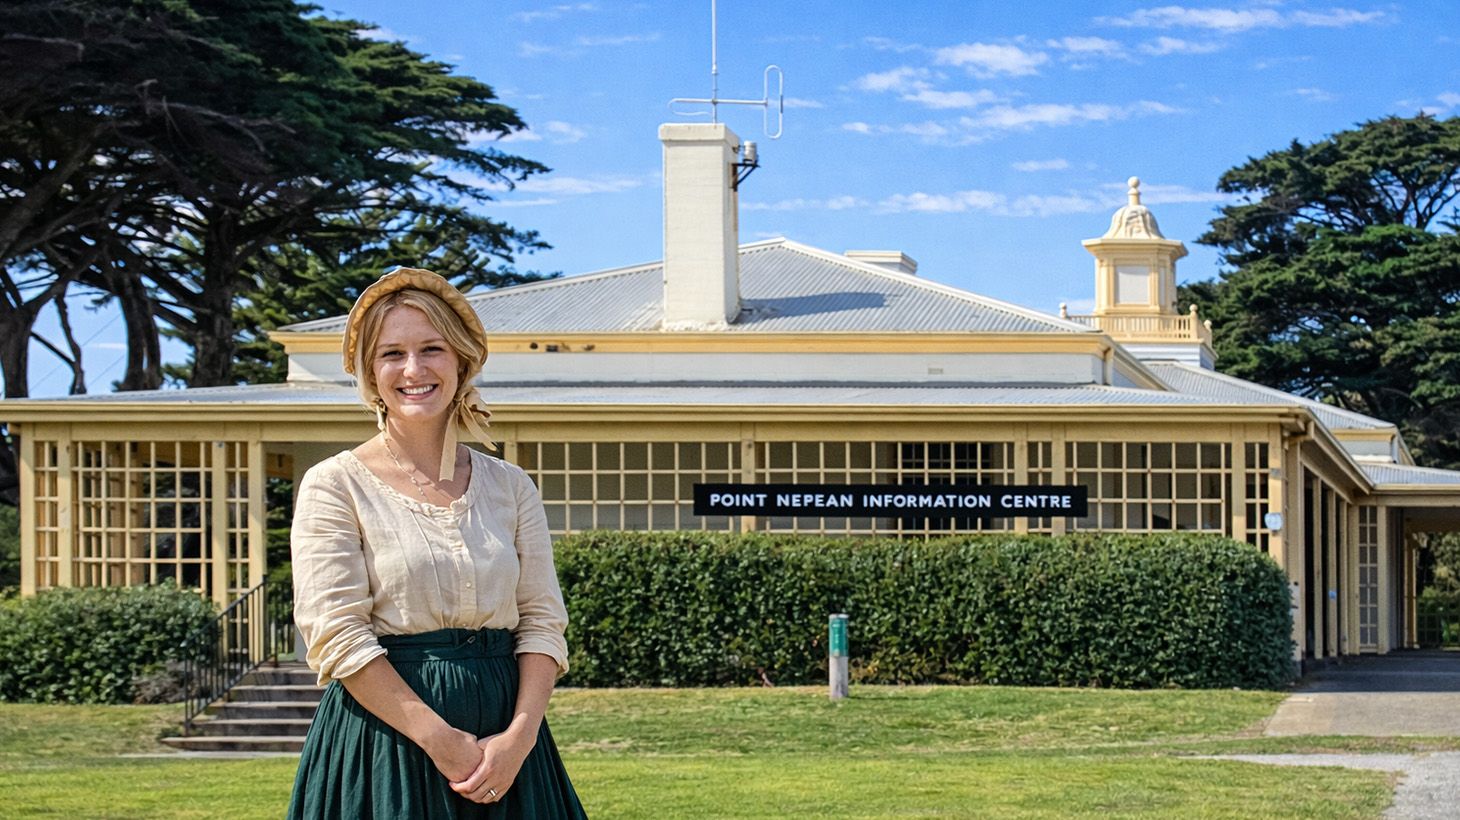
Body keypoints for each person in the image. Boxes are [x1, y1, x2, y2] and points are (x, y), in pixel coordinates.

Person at [287, 267, 588, 819]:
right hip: (386, 741)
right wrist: (439, 739)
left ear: (462, 360)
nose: (413, 369)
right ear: (368, 372)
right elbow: (338, 635)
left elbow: (542, 621)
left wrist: (517, 741)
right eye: (391, 354)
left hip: (510, 743)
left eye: (432, 349)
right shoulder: (335, 484)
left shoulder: (511, 486)